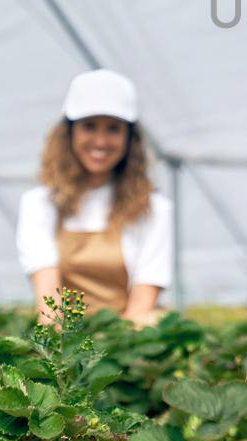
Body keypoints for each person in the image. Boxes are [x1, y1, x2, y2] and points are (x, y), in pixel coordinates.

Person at [16, 68, 171, 327]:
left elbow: (143, 299)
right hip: (66, 336)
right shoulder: (39, 204)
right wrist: (66, 355)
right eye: (89, 127)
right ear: (70, 134)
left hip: (130, 336)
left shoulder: (153, 208)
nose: (100, 141)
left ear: (129, 138)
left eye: (113, 129)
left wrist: (111, 353)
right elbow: (48, 305)